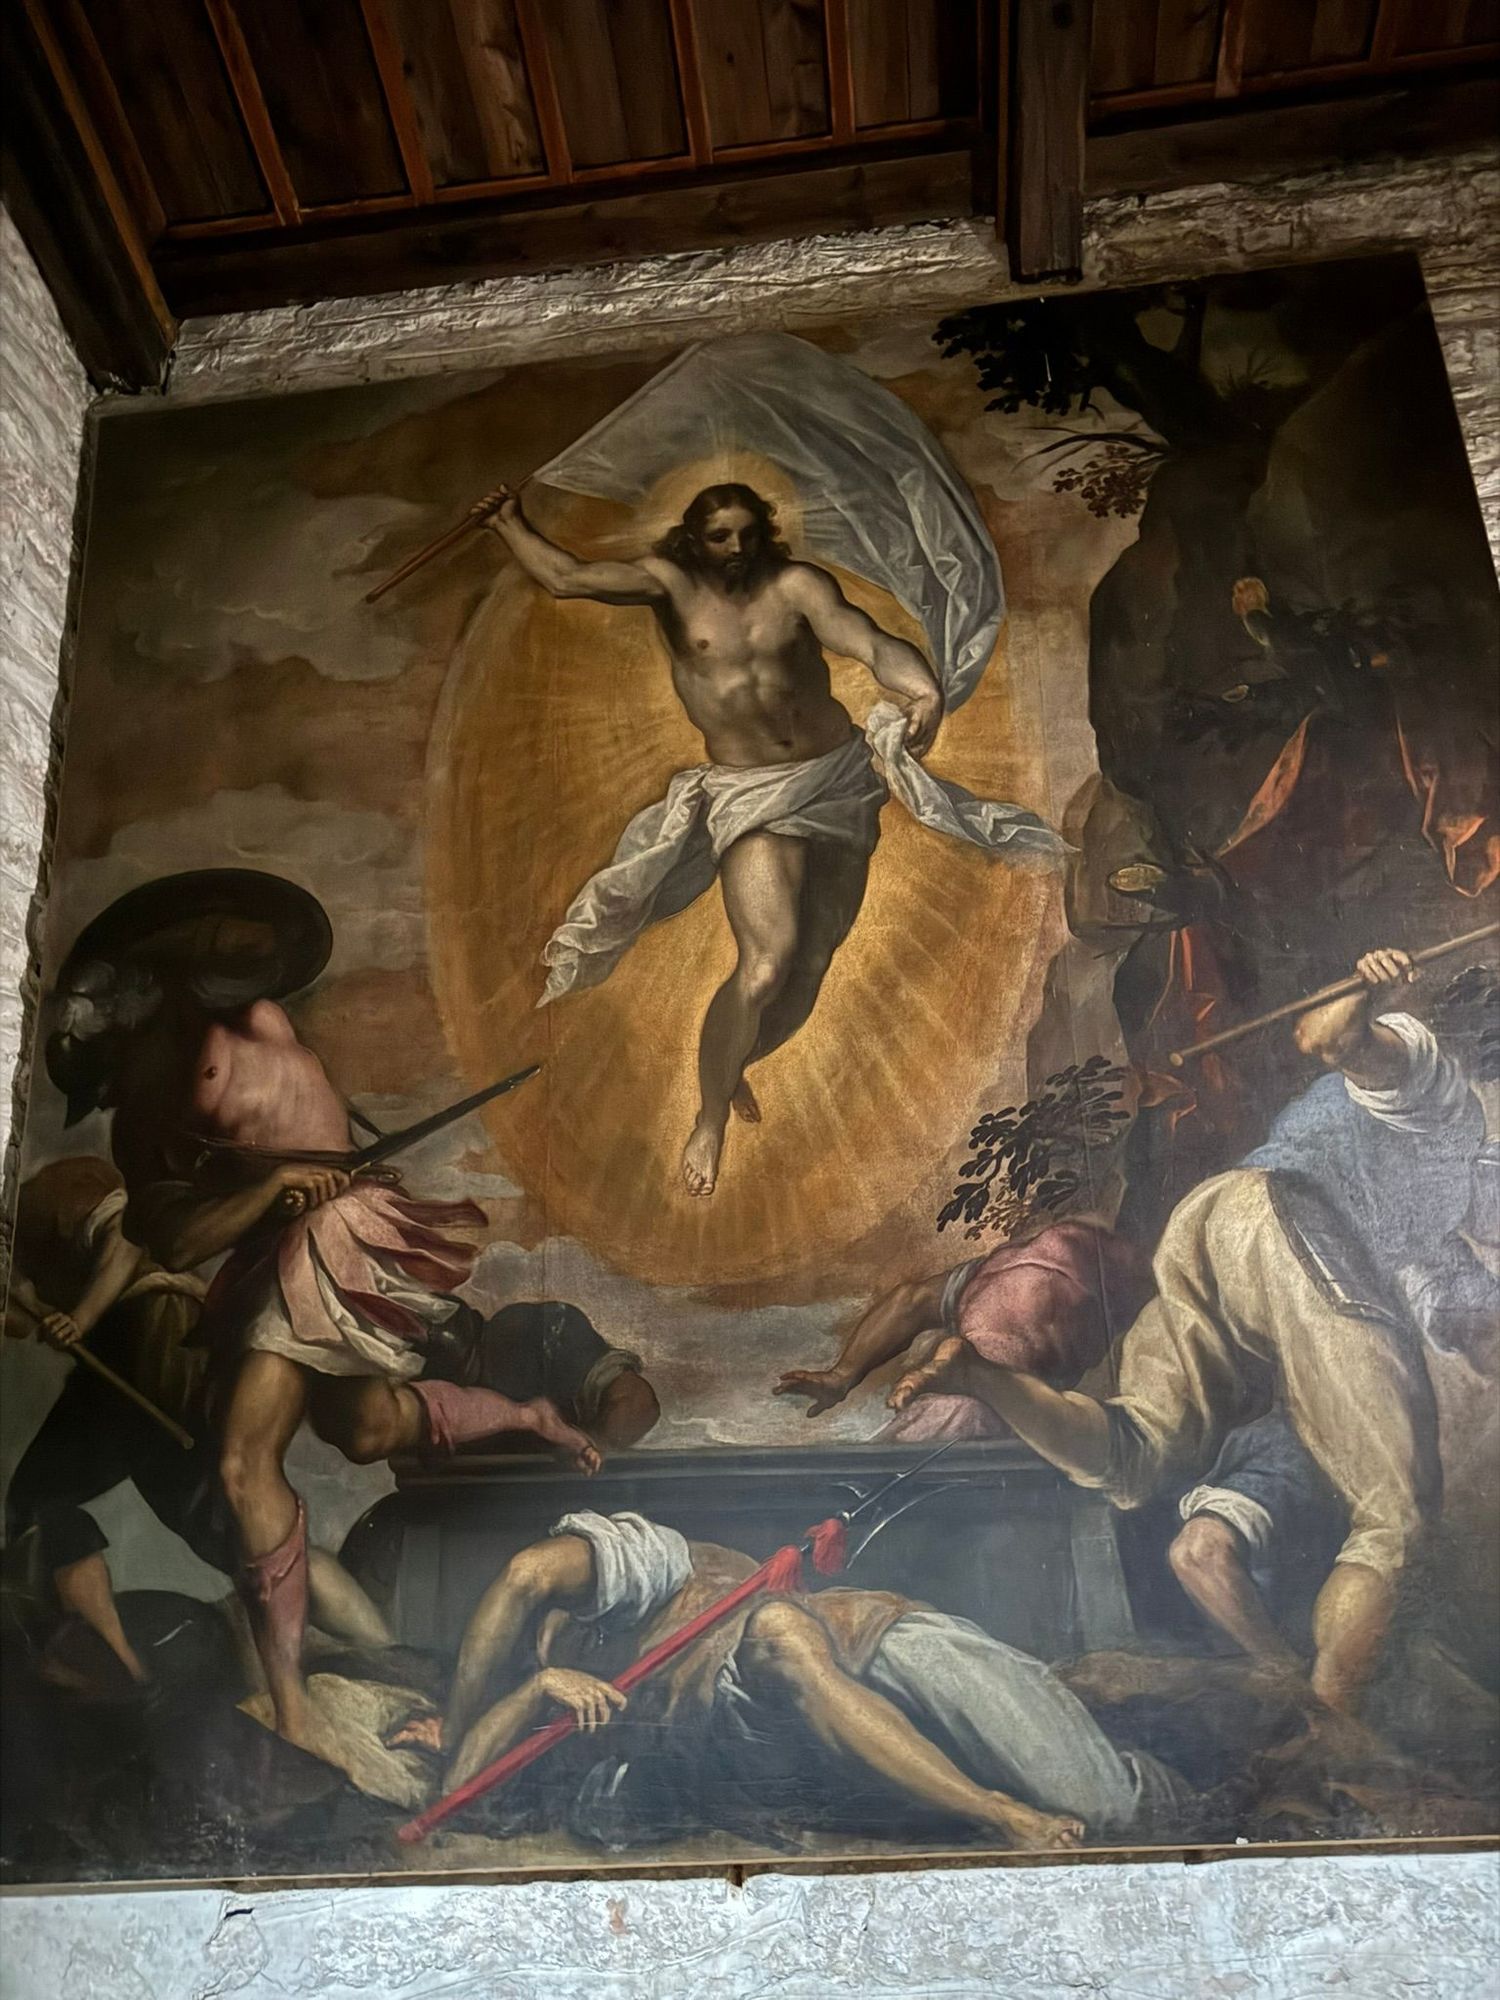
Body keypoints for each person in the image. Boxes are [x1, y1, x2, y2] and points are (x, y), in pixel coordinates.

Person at [45, 871, 602, 1767]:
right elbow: (178, 1242)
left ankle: (292, 1706)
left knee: (242, 1465)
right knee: (368, 1427)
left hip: (334, 1233)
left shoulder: (247, 1014)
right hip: (285, 1247)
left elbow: (261, 959)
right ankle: (528, 1416)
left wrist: (296, 1183)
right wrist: (268, 1188)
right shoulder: (148, 1116)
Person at [890, 946, 1489, 1720]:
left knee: (1138, 1451)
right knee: (1396, 1519)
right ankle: (1337, 1727)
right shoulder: (1440, 1097)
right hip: (1286, 1224)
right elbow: (1325, 1037)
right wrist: (1370, 984)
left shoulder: (1432, 1214)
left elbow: (1474, 1324)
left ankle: (984, 1378)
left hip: (1211, 1226)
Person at [480, 482, 947, 1198]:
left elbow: (870, 642)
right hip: (750, 794)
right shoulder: (668, 585)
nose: (736, 549)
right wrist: (507, 522)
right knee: (766, 964)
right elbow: (567, 577)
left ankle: (736, 1065)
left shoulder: (795, 586)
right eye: (720, 536)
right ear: (693, 539)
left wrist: (923, 691)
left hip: (835, 779)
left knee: (812, 961)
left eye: (748, 534)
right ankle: (708, 1118)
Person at [394, 1509, 1191, 1851]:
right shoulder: (548, 1691)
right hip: (773, 1734)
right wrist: (534, 1691)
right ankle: (998, 1809)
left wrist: (462, 1718)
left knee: (1110, 1805)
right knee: (777, 1637)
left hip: (876, 1643)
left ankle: (1136, 1735)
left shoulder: (640, 1564)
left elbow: (528, 1573)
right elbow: (459, 1790)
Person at [5, 1156, 392, 1684]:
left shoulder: (57, 1189)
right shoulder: (16, 1226)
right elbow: (20, 1317)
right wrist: (34, 1309)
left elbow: (127, 1241)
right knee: (229, 1533)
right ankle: (106, 1663)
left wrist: (81, 1317)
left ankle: (114, 1669)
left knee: (46, 1499)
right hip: (137, 1353)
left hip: (152, 1336)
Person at [773, 1217, 1150, 1437]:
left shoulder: (1042, 1255)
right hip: (1024, 1296)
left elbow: (912, 1301)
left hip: (1010, 1281)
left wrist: (842, 1376)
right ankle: (964, 1371)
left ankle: (962, 1371)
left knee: (965, 1411)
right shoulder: (1008, 1282)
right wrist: (840, 1376)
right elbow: (912, 1301)